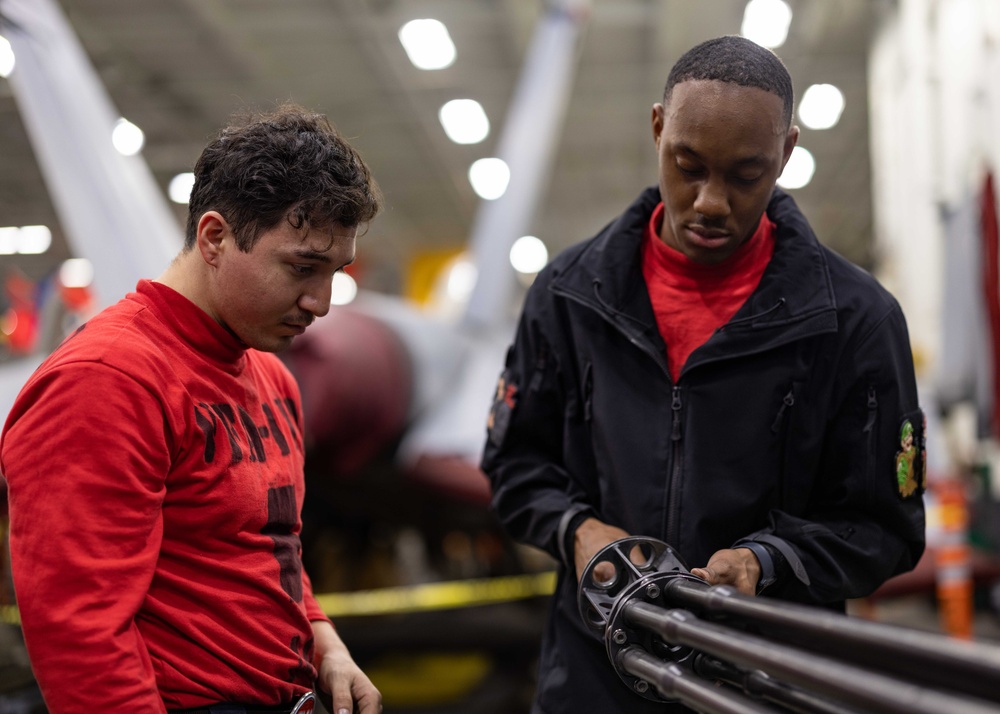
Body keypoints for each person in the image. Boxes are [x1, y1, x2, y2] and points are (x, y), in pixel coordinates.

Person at [481, 36, 926, 713]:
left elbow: (884, 529)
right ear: (658, 127)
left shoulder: (854, 321)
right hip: (596, 677)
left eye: (746, 175)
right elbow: (515, 465)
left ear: (787, 153)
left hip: (770, 681)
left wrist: (766, 562)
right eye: (687, 166)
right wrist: (578, 529)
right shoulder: (570, 296)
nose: (711, 202)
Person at [0, 105, 383, 714]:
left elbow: (268, 548)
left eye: (334, 271)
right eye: (302, 267)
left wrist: (324, 641)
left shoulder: (272, 378)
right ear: (214, 238)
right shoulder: (106, 381)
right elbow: (80, 632)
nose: (322, 302)